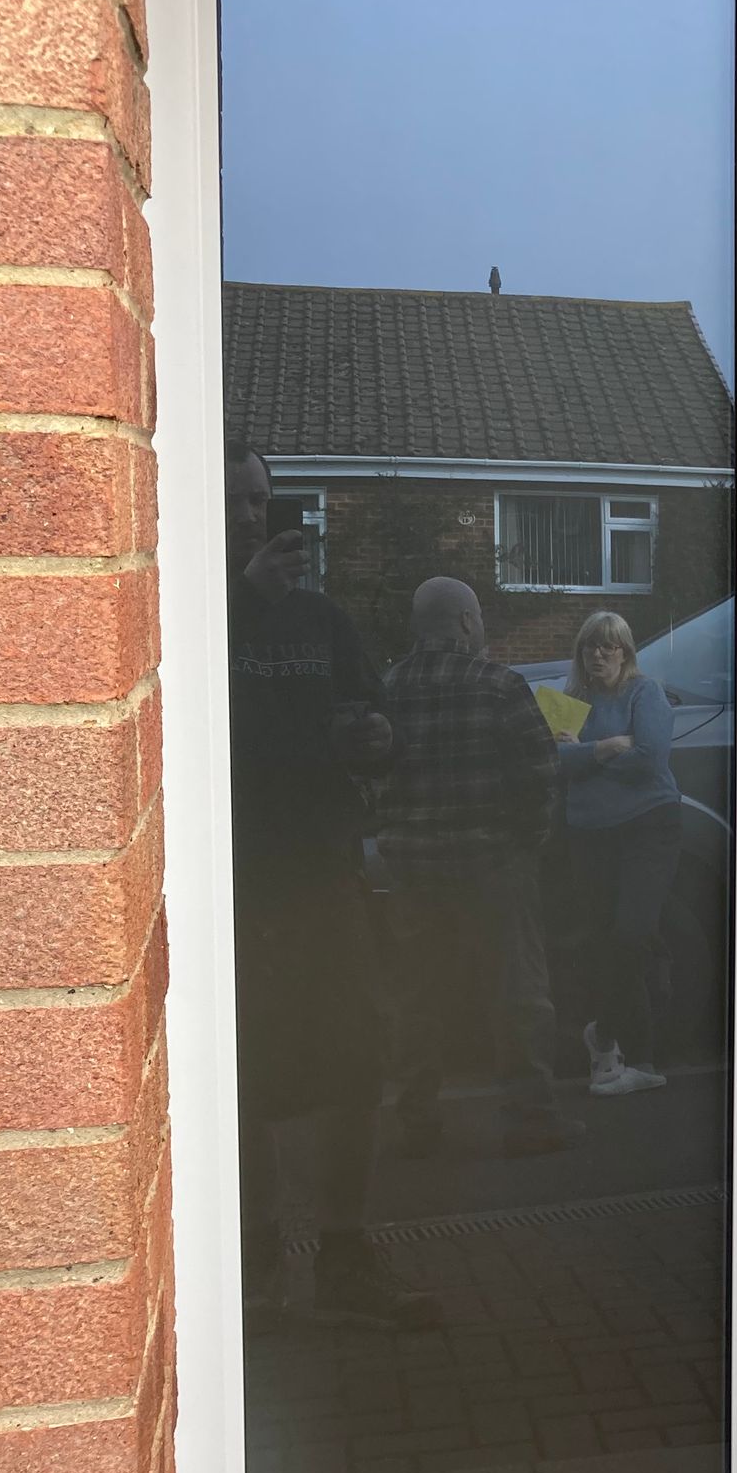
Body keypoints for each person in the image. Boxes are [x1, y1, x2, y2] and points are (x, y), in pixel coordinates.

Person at [224, 440, 438, 1330]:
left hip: (326, 878)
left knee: (357, 1064)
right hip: (236, 891)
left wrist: (382, 742)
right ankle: (256, 1263)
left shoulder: (322, 620)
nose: (251, 516)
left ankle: (348, 1259)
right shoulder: (186, 612)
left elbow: (375, 714)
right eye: (234, 501)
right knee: (244, 1082)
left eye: (260, 500)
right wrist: (244, 600)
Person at [377, 577, 576, 1158]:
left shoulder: (388, 688)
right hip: (493, 865)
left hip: (414, 870)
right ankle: (530, 1116)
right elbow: (541, 777)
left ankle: (417, 1121)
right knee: (518, 992)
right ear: (467, 622)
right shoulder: (500, 686)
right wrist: (525, 844)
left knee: (416, 995)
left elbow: (371, 775)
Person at [557, 611, 682, 1096]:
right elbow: (555, 763)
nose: (598, 655)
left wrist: (585, 754)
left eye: (609, 647)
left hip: (648, 827)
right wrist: (609, 747)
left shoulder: (644, 693)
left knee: (631, 931)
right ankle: (638, 1060)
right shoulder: (568, 700)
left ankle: (605, 1034)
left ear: (626, 653)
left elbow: (650, 760)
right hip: (590, 833)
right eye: (590, 646)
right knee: (605, 939)